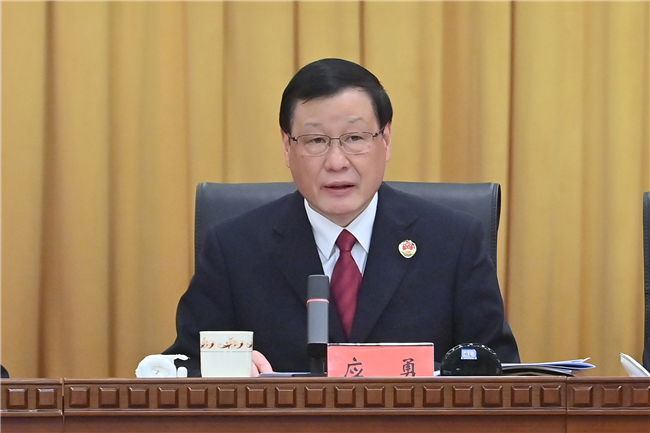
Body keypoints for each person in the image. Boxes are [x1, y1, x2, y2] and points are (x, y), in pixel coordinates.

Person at [164, 58, 519, 376]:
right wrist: (226, 368)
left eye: (354, 137)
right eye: (316, 141)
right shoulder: (234, 249)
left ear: (386, 139)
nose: (336, 162)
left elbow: (501, 372)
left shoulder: (452, 241)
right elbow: (183, 366)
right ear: (287, 146)